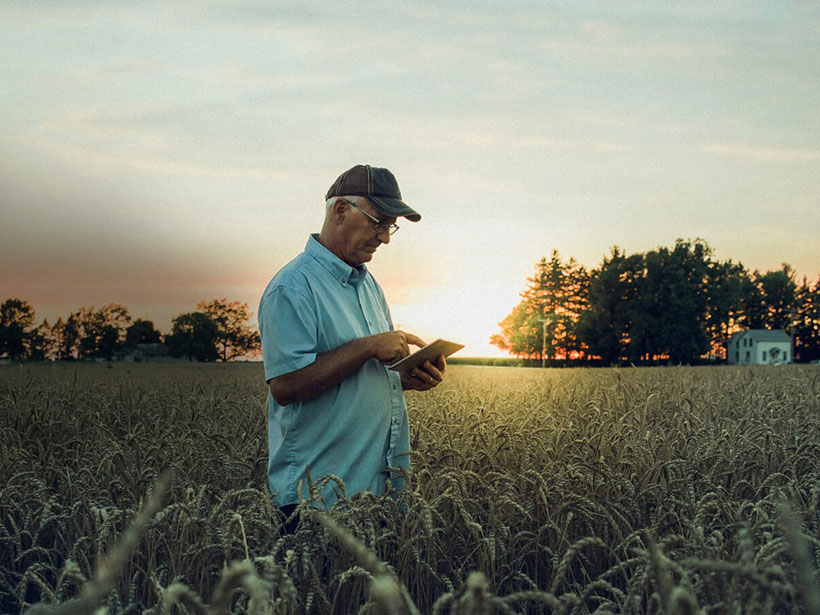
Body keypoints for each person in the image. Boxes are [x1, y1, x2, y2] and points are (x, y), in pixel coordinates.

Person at [258, 164, 446, 529]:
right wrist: (367, 347)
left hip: (376, 495)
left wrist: (409, 378)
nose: (385, 237)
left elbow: (359, 377)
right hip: (317, 499)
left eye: (390, 226)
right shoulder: (293, 288)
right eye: (378, 221)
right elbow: (286, 386)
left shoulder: (369, 285)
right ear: (341, 210)